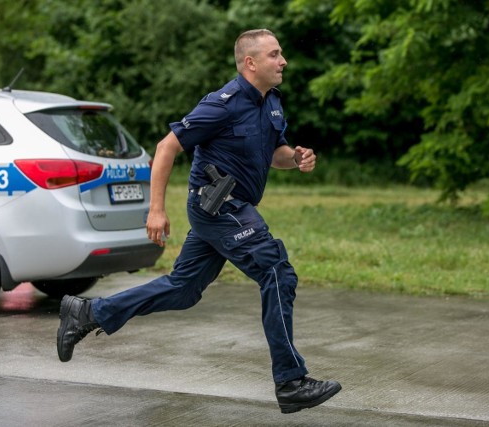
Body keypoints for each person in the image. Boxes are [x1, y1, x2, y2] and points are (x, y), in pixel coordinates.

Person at [56, 28, 341, 414]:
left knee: (184, 289)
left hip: (230, 208)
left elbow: (276, 153)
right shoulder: (221, 104)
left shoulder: (271, 102)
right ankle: (290, 381)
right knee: (277, 272)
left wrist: (296, 158)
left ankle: (87, 313)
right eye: (275, 55)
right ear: (250, 63)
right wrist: (155, 209)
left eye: (282, 54)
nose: (283, 61)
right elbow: (166, 147)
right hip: (219, 207)